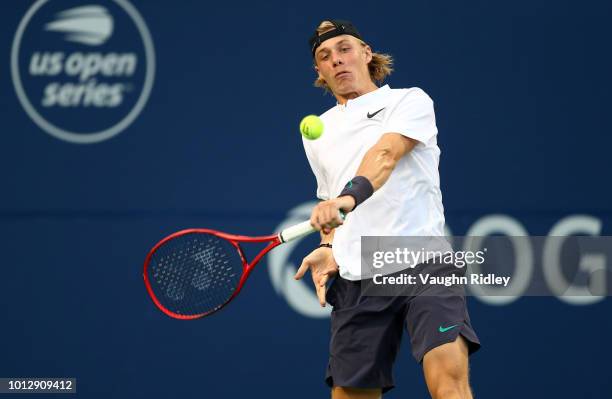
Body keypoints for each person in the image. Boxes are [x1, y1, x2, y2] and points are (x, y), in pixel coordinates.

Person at [293, 20, 481, 399]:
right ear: (320, 72)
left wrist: (347, 199)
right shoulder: (317, 131)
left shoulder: (409, 101)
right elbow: (328, 199)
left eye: (345, 48)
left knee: (447, 383)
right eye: (325, 56)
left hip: (424, 263)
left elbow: (385, 154)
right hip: (358, 277)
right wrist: (328, 247)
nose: (337, 60)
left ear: (366, 53)